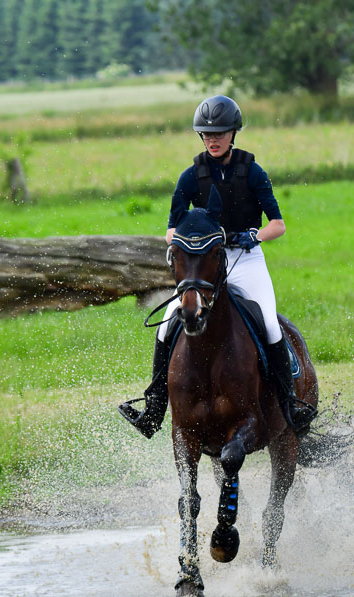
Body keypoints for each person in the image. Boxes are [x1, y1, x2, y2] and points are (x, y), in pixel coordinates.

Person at [119, 95, 317, 438]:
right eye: (207, 134)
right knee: (167, 325)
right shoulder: (189, 177)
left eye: (220, 133)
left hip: (245, 259)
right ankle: (154, 408)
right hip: (204, 263)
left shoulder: (253, 173)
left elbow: (278, 225)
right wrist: (192, 243)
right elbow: (170, 231)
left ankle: (289, 405)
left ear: (233, 134)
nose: (213, 140)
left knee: (270, 324)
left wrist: (253, 235)